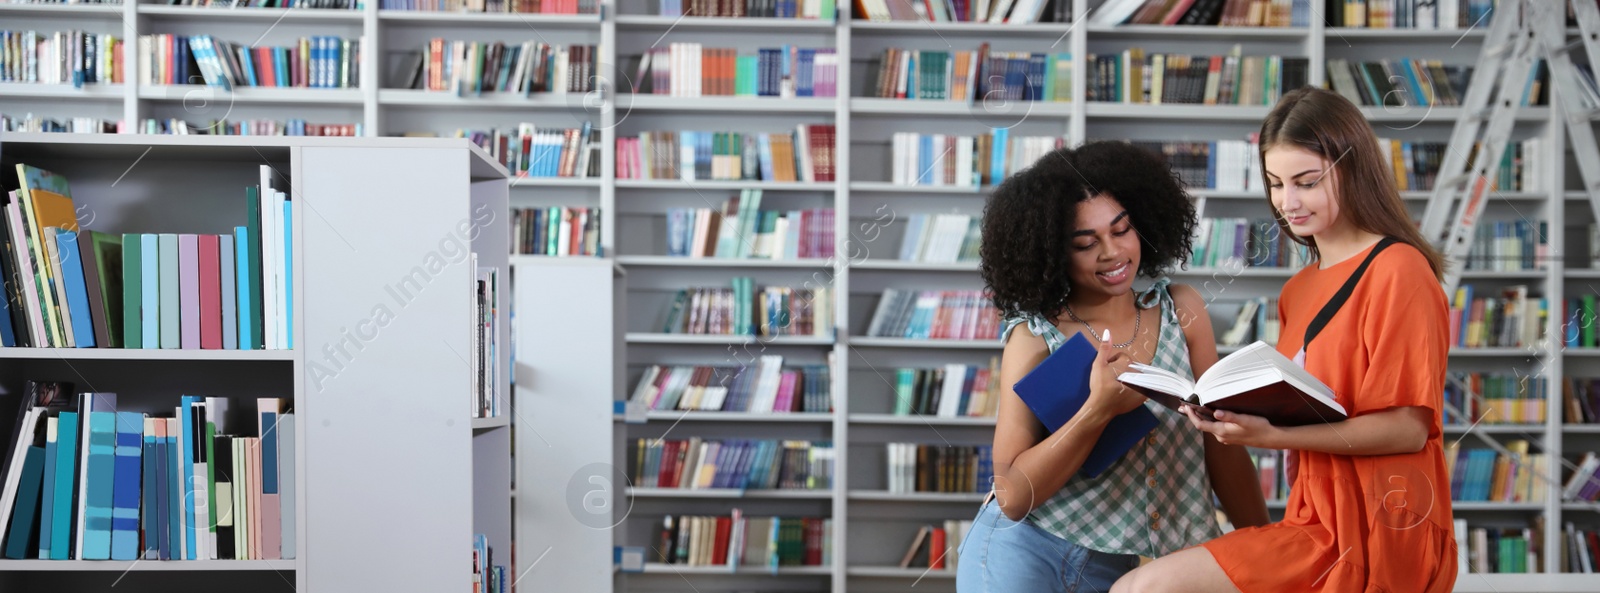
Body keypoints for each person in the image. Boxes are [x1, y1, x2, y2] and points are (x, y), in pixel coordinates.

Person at [1111, 87, 1458, 593]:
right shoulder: (1299, 288)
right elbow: (1317, 406)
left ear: (1353, 170)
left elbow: (1406, 428)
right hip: (1313, 516)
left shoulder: (1399, 270)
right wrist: (1230, 413)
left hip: (1379, 528)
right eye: (1275, 183)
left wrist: (1270, 436)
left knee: (1144, 588)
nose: (1287, 203)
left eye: (1307, 182)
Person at [957, 141, 1269, 593]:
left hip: (1135, 570)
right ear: (1052, 253)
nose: (1112, 253)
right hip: (1026, 554)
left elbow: (1222, 449)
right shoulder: (1036, 337)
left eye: (1121, 230)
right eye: (1086, 243)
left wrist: (1263, 543)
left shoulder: (1182, 310)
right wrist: (1097, 410)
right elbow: (1012, 495)